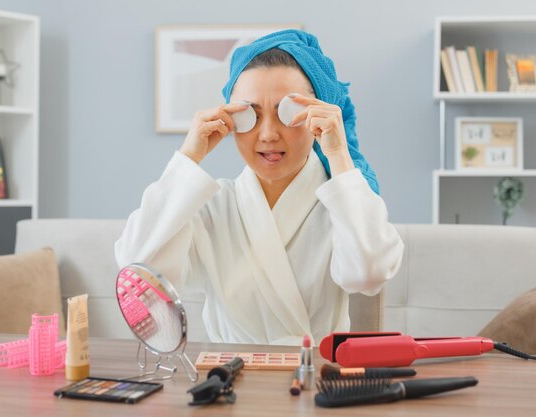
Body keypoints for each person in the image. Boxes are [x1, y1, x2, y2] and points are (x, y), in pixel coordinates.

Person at [115, 29, 404, 346]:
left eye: (287, 113)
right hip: (230, 380)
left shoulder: (342, 205)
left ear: (315, 117)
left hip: (315, 377)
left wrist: (338, 155)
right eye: (250, 113)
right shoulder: (212, 206)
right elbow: (138, 269)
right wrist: (188, 157)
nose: (267, 134)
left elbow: (370, 272)